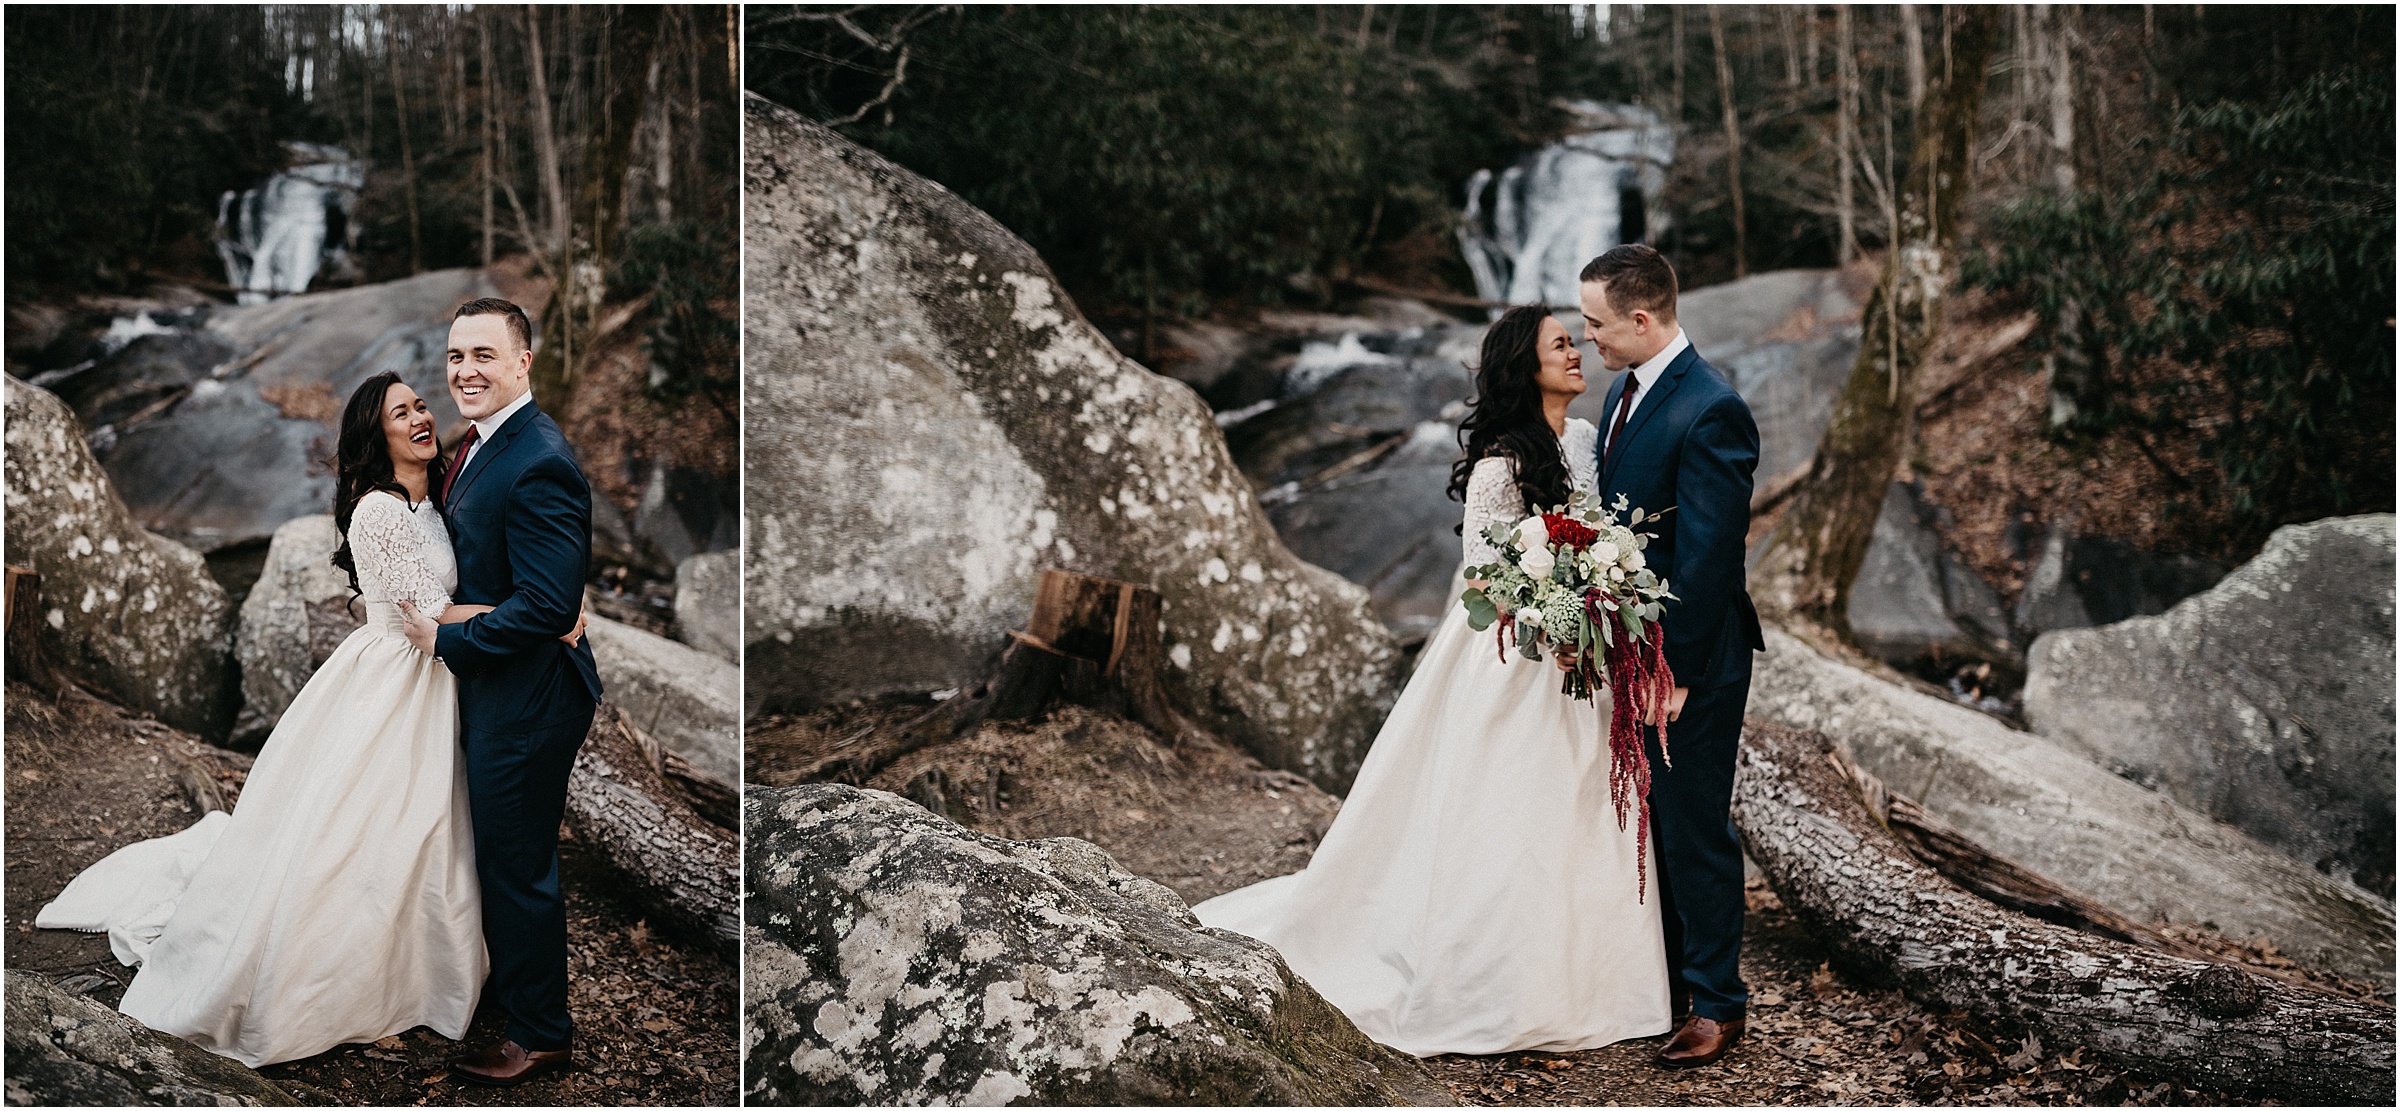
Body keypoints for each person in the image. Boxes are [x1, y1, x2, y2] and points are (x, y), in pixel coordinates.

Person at [34, 369, 575, 1067]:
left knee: (432, 826)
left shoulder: (439, 497)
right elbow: (430, 615)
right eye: (398, 413)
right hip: (393, 678)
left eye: (418, 405)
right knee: (365, 825)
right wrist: (550, 615)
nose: (418, 417)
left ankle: (443, 961)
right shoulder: (376, 510)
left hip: (442, 678)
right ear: (375, 438)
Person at [1191, 305, 1672, 1057]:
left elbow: (1597, 534)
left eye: (1577, 340)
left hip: (1584, 652)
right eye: (1560, 344)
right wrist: (1555, 612)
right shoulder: (1496, 467)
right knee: (1508, 811)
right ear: (1527, 364)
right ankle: (1495, 978)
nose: (1578, 353)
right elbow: (1488, 572)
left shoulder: (1582, 439)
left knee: (1582, 802)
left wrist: (1597, 598)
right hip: (1516, 653)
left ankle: (1595, 975)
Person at [398, 296, 604, 1087]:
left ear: (523, 362)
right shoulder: (478, 444)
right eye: (455, 356)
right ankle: (503, 987)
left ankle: (541, 1032)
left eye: (483, 355)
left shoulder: (541, 456)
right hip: (497, 686)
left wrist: (449, 638)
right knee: (494, 852)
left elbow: (551, 605)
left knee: (518, 863)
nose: (465, 371)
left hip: (530, 697)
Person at [1576, 243, 1766, 1069]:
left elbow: (1710, 558)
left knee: (1694, 827)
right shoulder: (1627, 391)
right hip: (1637, 652)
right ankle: (1671, 984)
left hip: (1693, 663)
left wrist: (1674, 672)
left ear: (1643, 319)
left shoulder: (1712, 408)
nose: (1589, 340)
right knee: (1652, 822)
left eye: (1597, 325)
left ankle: (1719, 1005)